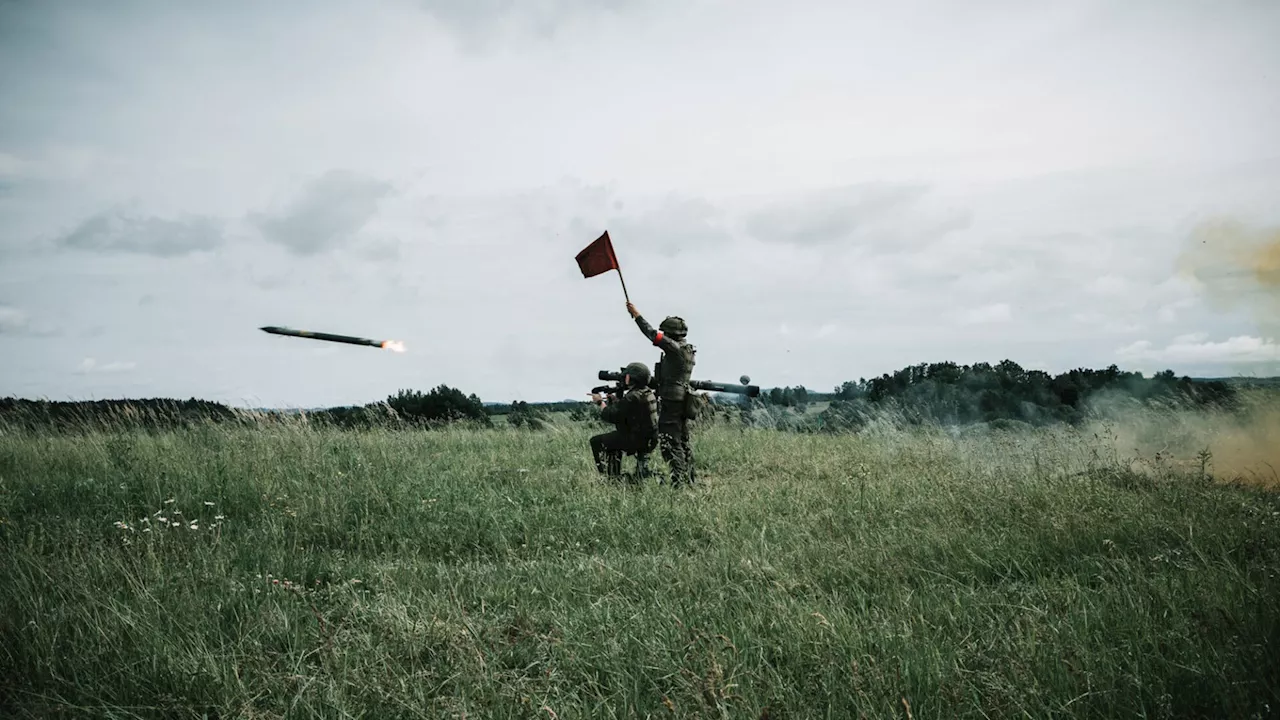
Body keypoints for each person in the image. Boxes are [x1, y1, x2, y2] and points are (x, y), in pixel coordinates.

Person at [626, 302, 697, 486]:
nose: (662, 335)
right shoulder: (687, 349)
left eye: (665, 332)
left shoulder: (674, 349)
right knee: (682, 440)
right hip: (680, 399)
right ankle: (689, 478)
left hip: (671, 402)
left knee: (669, 442)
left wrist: (637, 316)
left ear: (671, 334)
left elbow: (651, 334)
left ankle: (679, 481)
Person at [588, 362, 659, 481]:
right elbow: (628, 411)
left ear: (630, 377)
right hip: (649, 438)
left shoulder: (633, 397)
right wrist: (616, 400)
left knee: (596, 442)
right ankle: (615, 476)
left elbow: (611, 416)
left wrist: (600, 402)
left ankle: (610, 478)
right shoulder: (647, 392)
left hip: (637, 439)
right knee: (612, 441)